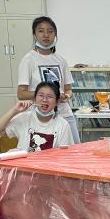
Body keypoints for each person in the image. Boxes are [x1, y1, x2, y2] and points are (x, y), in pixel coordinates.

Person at [0, 81, 75, 219]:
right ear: (35, 98)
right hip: (25, 177)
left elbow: (66, 157)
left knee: (41, 193)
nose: (45, 100)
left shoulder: (62, 125)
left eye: (50, 97)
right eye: (41, 96)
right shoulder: (25, 118)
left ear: (56, 101)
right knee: (30, 195)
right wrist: (15, 110)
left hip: (51, 177)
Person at [17, 16, 78, 144]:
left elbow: (68, 89)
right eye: (41, 31)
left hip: (64, 113)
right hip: (40, 116)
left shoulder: (61, 60)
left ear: (55, 35)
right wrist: (47, 96)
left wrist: (66, 96)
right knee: (44, 148)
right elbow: (21, 94)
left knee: (74, 149)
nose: (46, 35)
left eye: (50, 31)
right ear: (34, 35)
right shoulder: (28, 60)